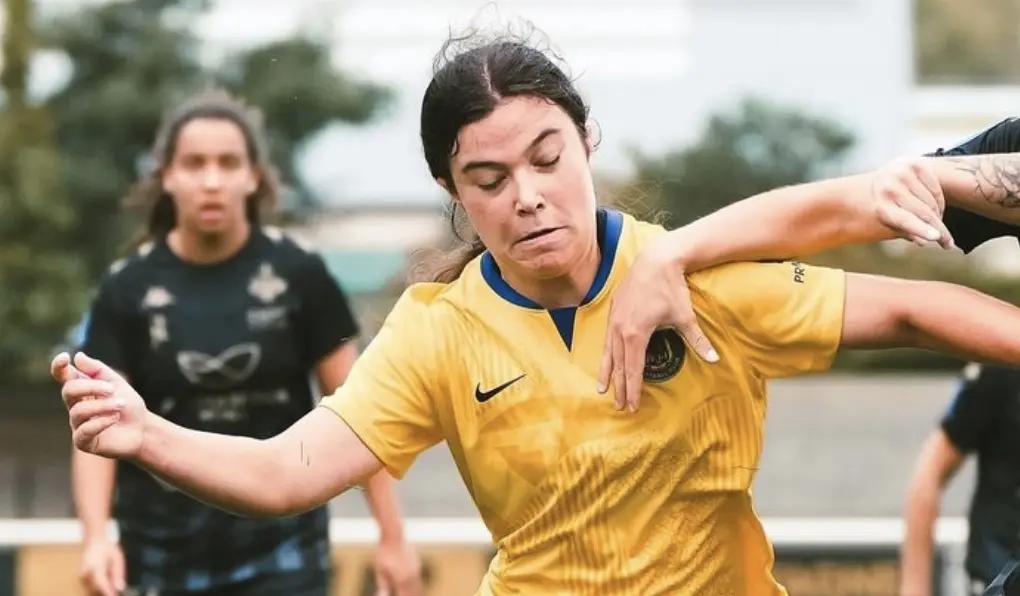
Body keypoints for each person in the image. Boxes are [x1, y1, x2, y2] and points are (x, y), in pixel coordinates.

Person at [51, 36, 1020, 595]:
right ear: (452, 190)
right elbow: (287, 470)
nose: (527, 195)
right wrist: (146, 434)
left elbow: (920, 310)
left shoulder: (691, 273)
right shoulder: (437, 329)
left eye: (548, 158)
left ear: (587, 139)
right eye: (489, 177)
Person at [71, 90, 421, 596]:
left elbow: (362, 416)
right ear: (167, 176)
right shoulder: (127, 289)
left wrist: (393, 537)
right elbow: (98, 423)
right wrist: (95, 539)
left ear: (253, 176)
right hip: (161, 552)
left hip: (283, 551)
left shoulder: (299, 275)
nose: (212, 180)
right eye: (194, 164)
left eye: (228, 163)